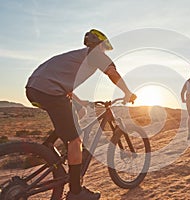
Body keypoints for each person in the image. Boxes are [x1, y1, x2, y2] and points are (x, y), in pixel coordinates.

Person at [25, 29, 136, 200]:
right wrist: (128, 92)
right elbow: (112, 74)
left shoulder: (78, 57)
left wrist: (81, 102)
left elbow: (65, 87)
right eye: (105, 48)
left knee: (74, 113)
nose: (105, 51)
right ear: (100, 44)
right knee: (75, 140)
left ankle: (47, 148)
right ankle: (76, 192)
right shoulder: (95, 54)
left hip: (36, 88)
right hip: (48, 90)